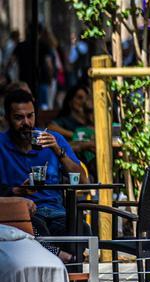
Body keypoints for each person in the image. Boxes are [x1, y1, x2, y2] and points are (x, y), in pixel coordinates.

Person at [0, 88, 86, 236]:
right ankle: (62, 256)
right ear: (7, 118)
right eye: (18, 117)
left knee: (82, 229)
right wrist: (15, 191)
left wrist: (58, 151)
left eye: (30, 116)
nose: (26, 122)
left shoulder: (54, 139)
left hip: (56, 212)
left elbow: (83, 180)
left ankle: (64, 256)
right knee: (36, 231)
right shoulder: (1, 144)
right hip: (22, 214)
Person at [47, 83, 96, 168]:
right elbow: (50, 128)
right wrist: (74, 135)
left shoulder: (90, 121)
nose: (83, 101)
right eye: (79, 98)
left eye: (85, 98)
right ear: (70, 101)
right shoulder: (65, 120)